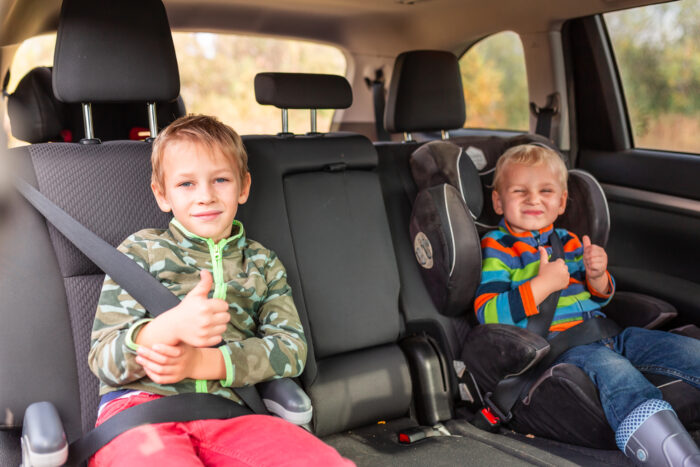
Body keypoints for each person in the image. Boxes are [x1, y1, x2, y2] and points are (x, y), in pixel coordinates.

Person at [88, 114, 353, 466]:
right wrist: (167, 328)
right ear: (162, 194)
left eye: (221, 180)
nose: (206, 196)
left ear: (243, 187)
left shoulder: (261, 263)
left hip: (229, 412)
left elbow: (292, 350)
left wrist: (206, 362)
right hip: (141, 413)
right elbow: (103, 360)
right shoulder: (140, 253)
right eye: (186, 184)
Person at [474, 143, 700, 465]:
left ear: (562, 201)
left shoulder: (568, 240)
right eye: (519, 191)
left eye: (546, 190)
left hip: (610, 333)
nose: (534, 199)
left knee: (685, 350)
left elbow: (598, 296)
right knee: (619, 376)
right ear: (498, 200)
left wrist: (598, 276)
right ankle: (674, 455)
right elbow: (489, 312)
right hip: (562, 346)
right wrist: (541, 285)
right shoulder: (498, 248)